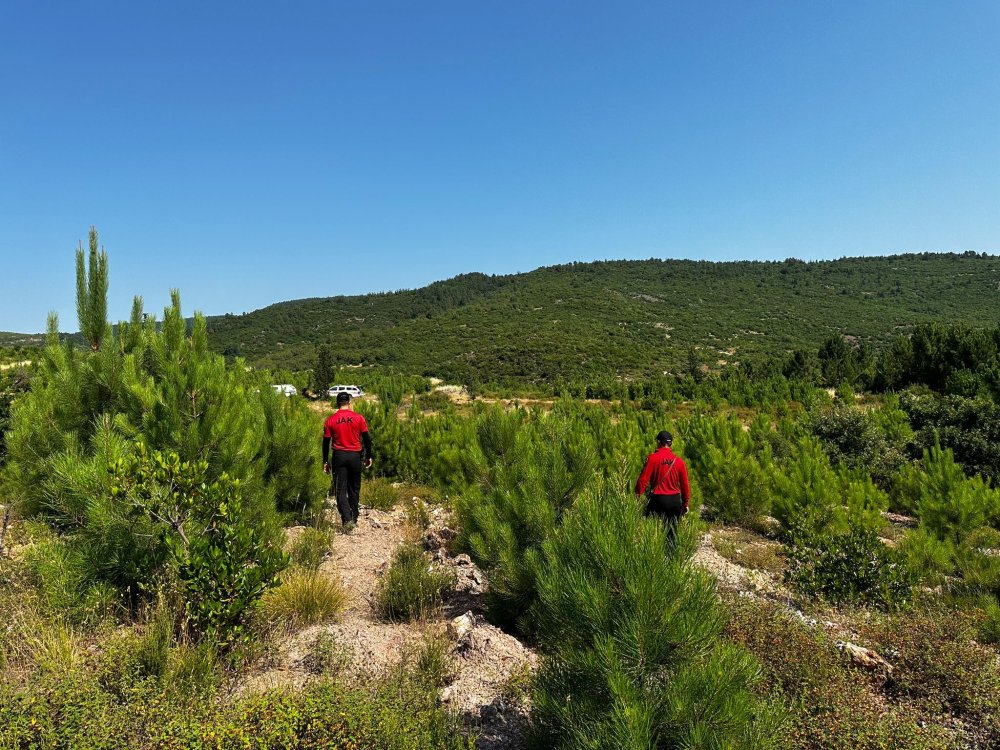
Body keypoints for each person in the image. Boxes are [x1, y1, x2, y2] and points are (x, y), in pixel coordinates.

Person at [322, 392, 373, 531]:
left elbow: (325, 443)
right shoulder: (358, 418)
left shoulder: (330, 420)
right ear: (349, 402)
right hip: (355, 456)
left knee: (340, 490)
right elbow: (367, 439)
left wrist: (325, 461)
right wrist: (368, 456)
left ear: (337, 403)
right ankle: (354, 517)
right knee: (354, 488)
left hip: (339, 456)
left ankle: (347, 520)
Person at [635, 430, 691, 535]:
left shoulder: (652, 458)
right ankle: (671, 551)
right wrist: (685, 503)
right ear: (670, 444)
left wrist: (637, 495)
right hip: (674, 501)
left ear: (658, 442)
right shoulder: (679, 461)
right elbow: (685, 484)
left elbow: (643, 479)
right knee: (672, 535)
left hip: (657, 501)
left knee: (653, 534)